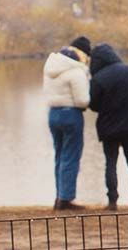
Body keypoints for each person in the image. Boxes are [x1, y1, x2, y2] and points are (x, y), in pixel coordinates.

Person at [88, 43, 128, 211]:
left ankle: (112, 201)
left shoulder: (98, 78)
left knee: (110, 163)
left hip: (109, 128)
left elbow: (93, 104)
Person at [43, 36, 92, 211]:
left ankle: (59, 196)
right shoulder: (76, 71)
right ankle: (67, 198)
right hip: (71, 114)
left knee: (59, 155)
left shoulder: (50, 68)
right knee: (71, 156)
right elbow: (82, 100)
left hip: (53, 114)